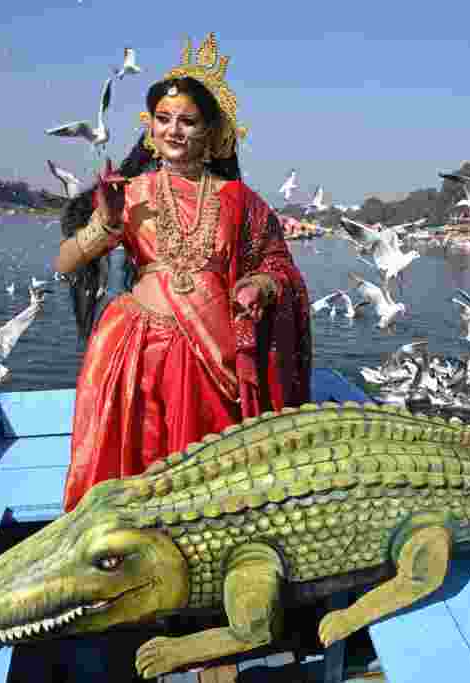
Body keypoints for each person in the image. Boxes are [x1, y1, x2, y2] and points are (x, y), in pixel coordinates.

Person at [54, 33, 312, 512]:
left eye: (187, 121)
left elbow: (280, 266)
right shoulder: (128, 193)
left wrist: (258, 283)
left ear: (210, 134)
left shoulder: (242, 203)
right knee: (130, 480)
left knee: (206, 487)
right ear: (150, 128)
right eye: (163, 119)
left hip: (212, 357)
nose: (173, 130)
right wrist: (107, 221)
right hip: (133, 351)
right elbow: (66, 263)